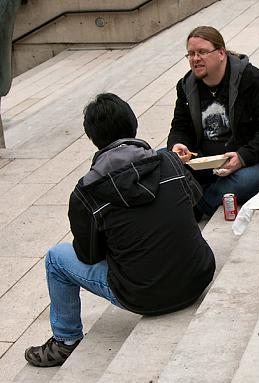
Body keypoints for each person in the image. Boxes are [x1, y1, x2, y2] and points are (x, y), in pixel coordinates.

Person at [24, 93, 215, 367]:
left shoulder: (85, 192)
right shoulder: (169, 162)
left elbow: (88, 256)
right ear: (133, 125)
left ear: (93, 138)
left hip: (142, 296)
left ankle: (65, 341)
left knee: (56, 258)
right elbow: (195, 200)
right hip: (199, 276)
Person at [167, 26, 259, 218]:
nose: (195, 59)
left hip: (248, 160)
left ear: (221, 53)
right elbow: (180, 127)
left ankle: (194, 208)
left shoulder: (251, 79)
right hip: (204, 159)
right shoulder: (186, 86)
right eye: (191, 54)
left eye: (202, 52)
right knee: (161, 158)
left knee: (243, 181)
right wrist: (177, 145)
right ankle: (199, 197)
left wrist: (242, 157)